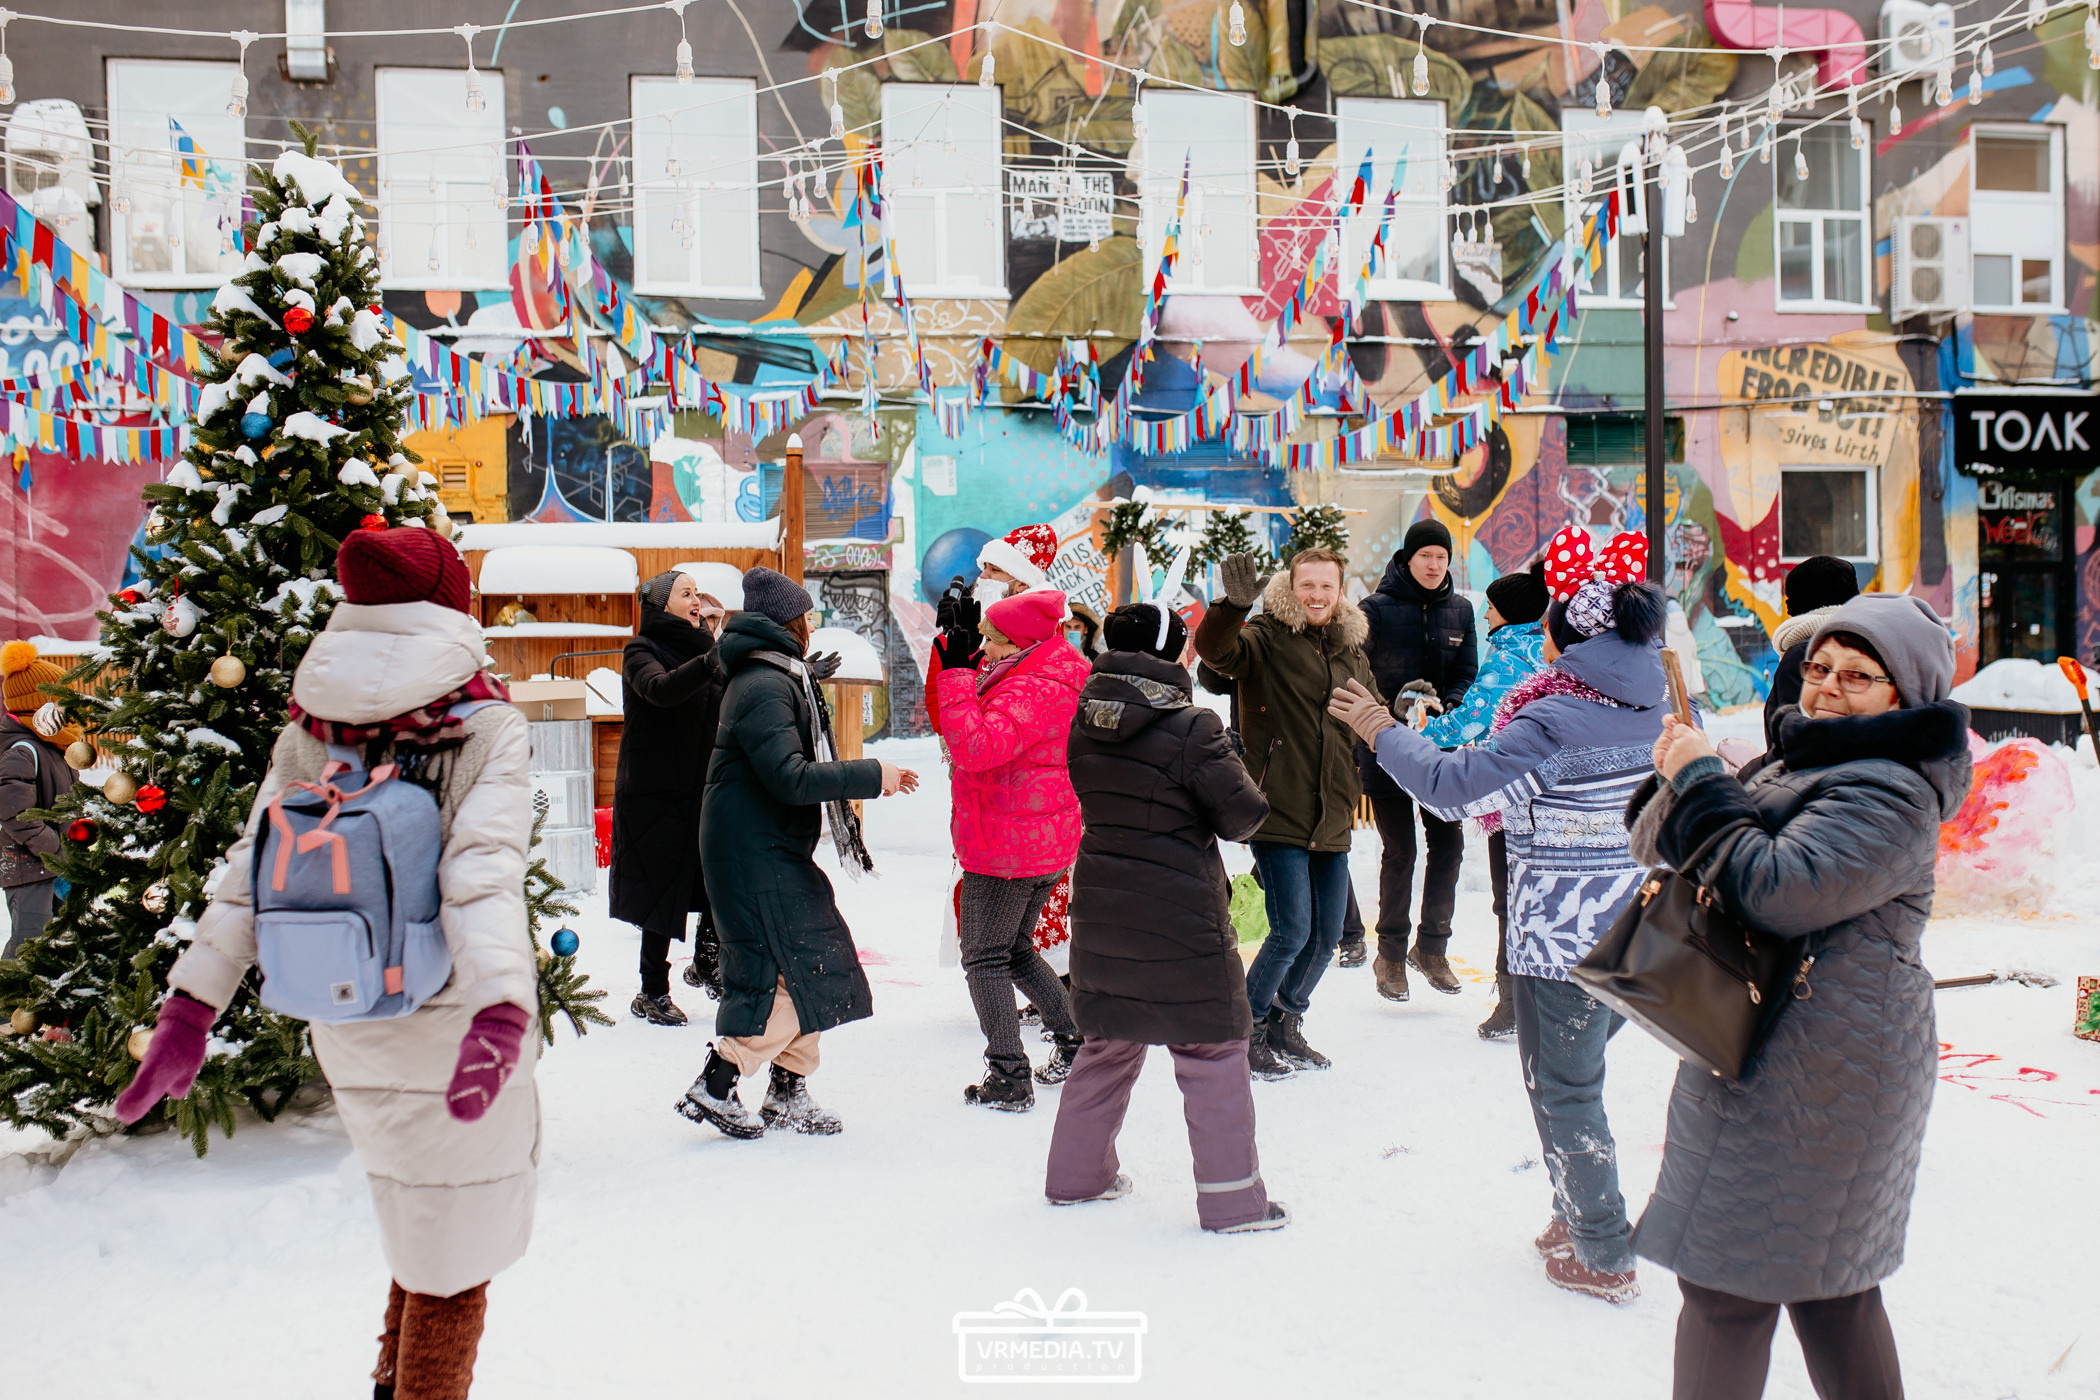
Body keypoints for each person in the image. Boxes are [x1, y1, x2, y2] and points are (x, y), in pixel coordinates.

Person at [115, 525, 539, 1400]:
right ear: (450, 601)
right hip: (456, 1017)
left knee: (422, 1229)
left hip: (344, 1002)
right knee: (455, 1263)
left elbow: (247, 876)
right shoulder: (484, 724)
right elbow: (482, 875)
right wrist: (503, 1008)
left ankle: (389, 1381)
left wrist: (191, 1009)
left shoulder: (312, 723)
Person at [1629, 593, 1969, 1400]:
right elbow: (1657, 847)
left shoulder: (1889, 789)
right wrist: (1685, 776)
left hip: (1824, 1073)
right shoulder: (1801, 759)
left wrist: (1707, 783)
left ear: (1904, 695)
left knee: (1729, 1289)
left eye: (1859, 676)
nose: (1827, 688)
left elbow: (1775, 890)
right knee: (1831, 1290)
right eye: (1819, 668)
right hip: (1767, 1051)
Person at [1331, 529, 1668, 1304]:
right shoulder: (1651, 697)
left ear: (1569, 638)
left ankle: (1605, 1249)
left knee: (1567, 1087)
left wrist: (1383, 731)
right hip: (1637, 928)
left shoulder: (1553, 719)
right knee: (1557, 1079)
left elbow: (1461, 789)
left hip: (1568, 937)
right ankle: (1576, 1210)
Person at [1048, 601, 1288, 1232]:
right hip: (1181, 912)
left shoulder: (1084, 720)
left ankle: (1077, 1178)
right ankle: (1235, 1202)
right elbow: (1242, 816)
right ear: (1171, 650)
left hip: (1103, 906)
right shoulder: (1192, 728)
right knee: (1212, 1051)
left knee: (1105, 1046)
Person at [676, 567, 918, 1139]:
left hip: (768, 843)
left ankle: (788, 1090)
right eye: (806, 616)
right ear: (788, 623)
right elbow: (789, 777)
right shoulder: (763, 684)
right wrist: (871, 775)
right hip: (750, 848)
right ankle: (717, 1081)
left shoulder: (777, 674)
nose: (812, 626)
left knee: (813, 957)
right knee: (777, 969)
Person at [1194, 546, 1379, 1081]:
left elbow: (1371, 712)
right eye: (1308, 585)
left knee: (1326, 936)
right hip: (1278, 807)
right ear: (1291, 587)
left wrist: (1400, 713)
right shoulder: (1267, 637)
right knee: (1290, 930)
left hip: (1334, 809)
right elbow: (1216, 653)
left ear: (1341, 591)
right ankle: (1243, 1031)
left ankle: (1285, 1020)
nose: (1317, 595)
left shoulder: (1350, 647)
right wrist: (1231, 607)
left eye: (1327, 586)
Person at [932, 589, 1091, 1110]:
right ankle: (1073, 1042)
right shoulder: (1046, 670)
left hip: (1008, 844)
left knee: (983, 957)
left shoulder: (1035, 687)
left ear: (1021, 642)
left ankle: (1009, 1075)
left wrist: (955, 675)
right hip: (1034, 837)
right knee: (1016, 950)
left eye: (994, 641)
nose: (987, 650)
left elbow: (976, 747)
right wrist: (966, 660)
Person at [1419, 562, 1550, 1039]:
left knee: (1508, 898)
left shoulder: (1508, 656)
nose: (1485, 617)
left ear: (1509, 614)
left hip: (1515, 792)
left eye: (1491, 608)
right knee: (1536, 897)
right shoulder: (1555, 648)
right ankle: (1541, 999)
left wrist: (1421, 730)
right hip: (1556, 792)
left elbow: (1470, 722)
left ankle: (1513, 1003)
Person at [1352, 519, 1479, 998]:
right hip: (1384, 747)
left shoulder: (1462, 610)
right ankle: (1389, 956)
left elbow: (1467, 671)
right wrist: (1390, 713)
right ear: (1407, 558)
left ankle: (1431, 948)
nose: (1433, 564)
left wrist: (1445, 707)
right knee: (1400, 850)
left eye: (1441, 557)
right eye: (1425, 555)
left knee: (1448, 847)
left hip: (1440, 754)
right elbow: (1356, 673)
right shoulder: (1375, 611)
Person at [610, 572, 727, 1026]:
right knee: (660, 893)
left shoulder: (707, 652)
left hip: (700, 787)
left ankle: (707, 962)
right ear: (661, 606)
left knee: (718, 879)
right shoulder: (641, 650)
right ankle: (651, 991)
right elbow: (659, 690)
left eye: (697, 593)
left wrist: (801, 672)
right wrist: (710, 660)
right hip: (654, 792)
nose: (696, 600)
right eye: (686, 593)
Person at [925, 523, 1060, 736]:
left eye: (994, 570)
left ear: (1022, 583)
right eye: (984, 567)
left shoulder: (1045, 632)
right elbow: (936, 694)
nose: (983, 576)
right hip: (963, 731)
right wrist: (954, 636)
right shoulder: (959, 623)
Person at [0, 642, 80, 958]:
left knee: (58, 940)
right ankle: (8, 1005)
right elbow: (15, 811)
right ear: (37, 706)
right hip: (28, 867)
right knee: (29, 944)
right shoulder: (23, 750)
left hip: (54, 862)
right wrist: (53, 847)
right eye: (59, 704)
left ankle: (44, 1005)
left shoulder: (52, 746)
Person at [1761, 556, 1861, 751]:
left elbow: (1796, 744)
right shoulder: (1867, 643)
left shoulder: (1803, 655)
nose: (1787, 606)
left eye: (1790, 596)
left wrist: (1753, 771)